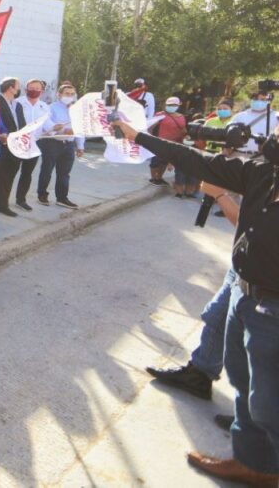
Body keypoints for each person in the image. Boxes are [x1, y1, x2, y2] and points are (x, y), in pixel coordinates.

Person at [115, 116, 279, 487]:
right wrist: (138, 136)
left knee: (270, 403)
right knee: (245, 384)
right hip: (245, 294)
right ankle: (254, 464)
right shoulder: (263, 170)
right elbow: (194, 160)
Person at [145, 183, 239, 400]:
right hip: (247, 262)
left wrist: (220, 194)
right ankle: (200, 375)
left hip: (264, 274)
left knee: (259, 337)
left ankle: (255, 418)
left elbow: (254, 227)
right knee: (217, 316)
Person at [36, 83, 84, 209]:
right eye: (67, 94)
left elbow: (80, 128)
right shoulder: (51, 108)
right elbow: (47, 125)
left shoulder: (77, 110)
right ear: (59, 95)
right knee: (47, 170)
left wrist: (80, 146)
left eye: (72, 94)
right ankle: (42, 195)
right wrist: (61, 131)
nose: (70, 96)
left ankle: (62, 198)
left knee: (64, 173)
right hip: (52, 143)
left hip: (69, 145)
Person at [0, 77, 25, 217]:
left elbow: (21, 124)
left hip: (15, 146)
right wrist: (2, 136)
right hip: (1, 146)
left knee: (8, 177)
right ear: (10, 87)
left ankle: (2, 204)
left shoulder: (18, 105)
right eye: (18, 86)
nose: (19, 89)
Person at [16, 78, 50, 210]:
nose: (34, 91)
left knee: (27, 173)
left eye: (37, 89)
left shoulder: (44, 107)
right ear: (25, 89)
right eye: (31, 88)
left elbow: (47, 125)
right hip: (17, 143)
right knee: (9, 173)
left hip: (34, 144)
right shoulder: (17, 103)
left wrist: (55, 129)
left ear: (41, 91)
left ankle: (21, 199)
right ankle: (2, 202)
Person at [148, 96, 191, 197]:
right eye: (169, 105)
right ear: (166, 105)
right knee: (155, 161)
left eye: (173, 105)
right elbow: (150, 126)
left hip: (175, 143)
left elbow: (183, 129)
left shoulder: (181, 117)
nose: (171, 106)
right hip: (160, 142)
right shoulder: (160, 115)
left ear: (178, 105)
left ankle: (159, 178)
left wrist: (186, 136)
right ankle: (153, 178)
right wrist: (149, 138)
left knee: (164, 161)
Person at [231, 90, 279, 155]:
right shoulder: (239, 116)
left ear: (269, 101)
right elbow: (229, 135)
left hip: (264, 158)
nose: (259, 101)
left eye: (262, 99)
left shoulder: (276, 116)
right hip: (238, 155)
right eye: (256, 99)